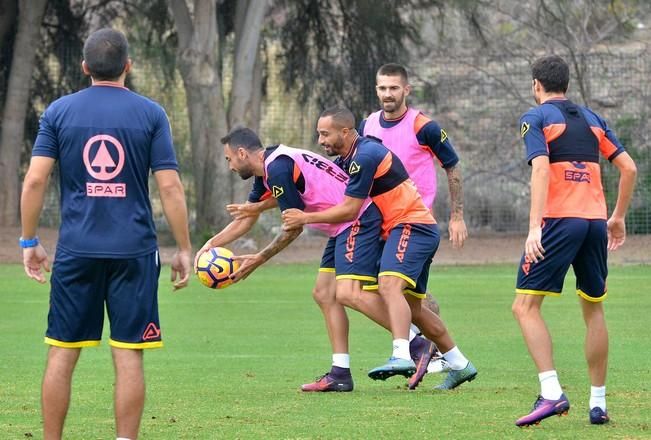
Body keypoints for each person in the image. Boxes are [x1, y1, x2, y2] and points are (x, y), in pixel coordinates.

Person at [20, 28, 192, 440]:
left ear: (85, 68)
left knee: (62, 352)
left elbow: (34, 182)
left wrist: (29, 241)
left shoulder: (59, 112)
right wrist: (185, 247)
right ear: (127, 67)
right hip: (134, 251)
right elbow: (169, 187)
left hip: (76, 249)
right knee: (129, 355)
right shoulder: (151, 114)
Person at [196, 127, 435, 392]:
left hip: (357, 219)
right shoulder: (269, 168)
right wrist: (210, 244)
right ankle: (340, 374)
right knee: (324, 294)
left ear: (242, 153)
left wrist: (259, 259)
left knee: (349, 294)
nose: (229, 165)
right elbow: (247, 217)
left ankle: (415, 344)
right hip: (341, 224)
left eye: (229, 158)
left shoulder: (278, 168)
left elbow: (293, 226)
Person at [282, 105, 477, 390]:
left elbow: (349, 210)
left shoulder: (364, 156)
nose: (321, 140)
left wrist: (305, 217)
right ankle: (459, 364)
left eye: (325, 134)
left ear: (346, 132)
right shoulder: (350, 158)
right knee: (416, 310)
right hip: (406, 228)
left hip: (412, 225)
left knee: (388, 285)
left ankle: (402, 354)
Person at [512, 55, 637, 427]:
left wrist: (535, 227)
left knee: (524, 307)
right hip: (595, 222)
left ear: (537, 85)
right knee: (593, 308)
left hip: (558, 222)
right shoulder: (594, 119)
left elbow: (539, 168)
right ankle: (597, 403)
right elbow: (628, 167)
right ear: (566, 84)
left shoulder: (534, 118)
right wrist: (617, 217)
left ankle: (552, 393)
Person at [359, 62, 468, 380]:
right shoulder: (368, 125)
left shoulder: (424, 126)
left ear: (406, 89)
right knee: (401, 292)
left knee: (396, 288)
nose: (387, 94)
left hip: (412, 220)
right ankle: (441, 354)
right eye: (382, 88)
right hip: (379, 219)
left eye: (394, 88)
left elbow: (453, 166)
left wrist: (457, 216)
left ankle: (423, 351)